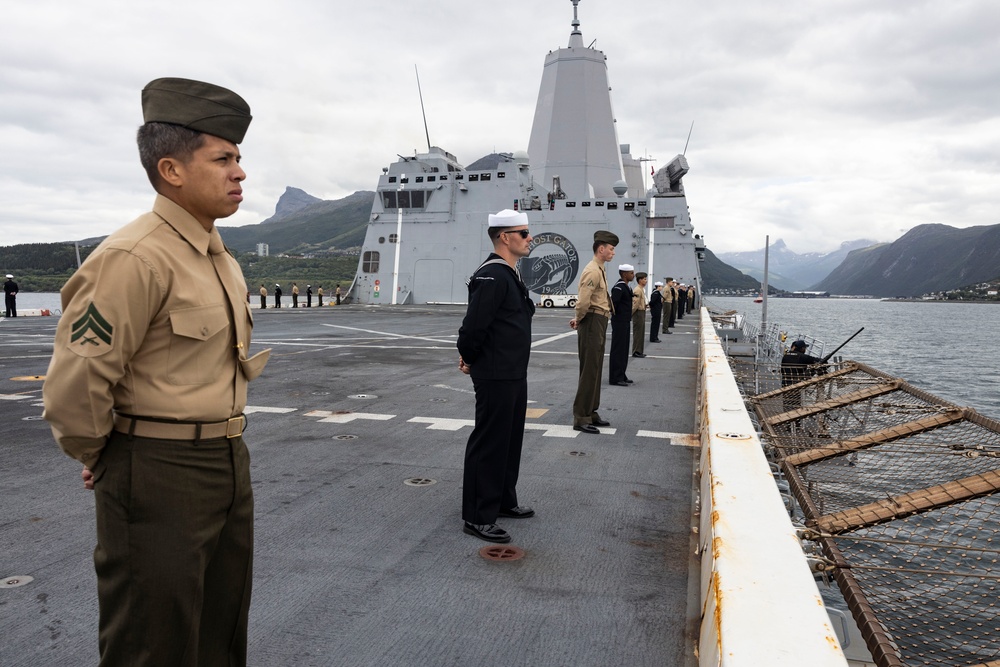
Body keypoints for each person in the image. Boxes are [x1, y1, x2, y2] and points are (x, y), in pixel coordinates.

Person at [41, 77, 271, 667]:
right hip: (157, 470)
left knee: (221, 630)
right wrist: (107, 458)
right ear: (171, 170)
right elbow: (76, 385)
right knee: (152, 639)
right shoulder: (133, 257)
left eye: (239, 158)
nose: (239, 172)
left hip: (227, 460)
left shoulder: (219, 256)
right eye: (223, 159)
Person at [457, 209, 536, 544]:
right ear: (505, 237)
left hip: (513, 372)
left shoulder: (509, 274)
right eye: (523, 233)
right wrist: (470, 357)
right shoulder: (492, 275)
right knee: (490, 441)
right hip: (495, 373)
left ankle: (503, 500)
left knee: (509, 439)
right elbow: (474, 326)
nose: (530, 238)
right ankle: (477, 515)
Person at [569, 230, 618, 433]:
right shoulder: (593, 271)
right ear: (601, 248)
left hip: (599, 321)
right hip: (592, 321)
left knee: (595, 369)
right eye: (611, 248)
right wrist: (578, 318)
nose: (613, 252)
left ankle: (591, 412)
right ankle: (581, 417)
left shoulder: (600, 269)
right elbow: (583, 301)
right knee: (589, 370)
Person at [608, 264, 634, 385]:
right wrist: (617, 318)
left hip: (625, 321)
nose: (633, 275)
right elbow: (613, 305)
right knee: (618, 349)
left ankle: (621, 374)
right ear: (624, 274)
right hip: (619, 322)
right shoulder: (619, 287)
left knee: (624, 349)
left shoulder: (626, 287)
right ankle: (615, 377)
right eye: (631, 273)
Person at [781, 339, 824, 410]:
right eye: (804, 348)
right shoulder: (802, 357)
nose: (805, 350)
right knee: (796, 404)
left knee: (786, 403)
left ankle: (786, 413)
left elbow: (782, 370)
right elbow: (818, 361)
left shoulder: (785, 356)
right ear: (802, 349)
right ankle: (795, 418)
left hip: (785, 383)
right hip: (796, 385)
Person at [631, 272, 648, 358]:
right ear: (640, 280)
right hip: (638, 313)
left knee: (641, 333)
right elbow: (635, 303)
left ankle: (639, 350)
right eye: (644, 279)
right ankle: (636, 351)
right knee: (638, 333)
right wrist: (631, 314)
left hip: (642, 311)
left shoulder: (641, 289)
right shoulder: (637, 289)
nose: (646, 281)